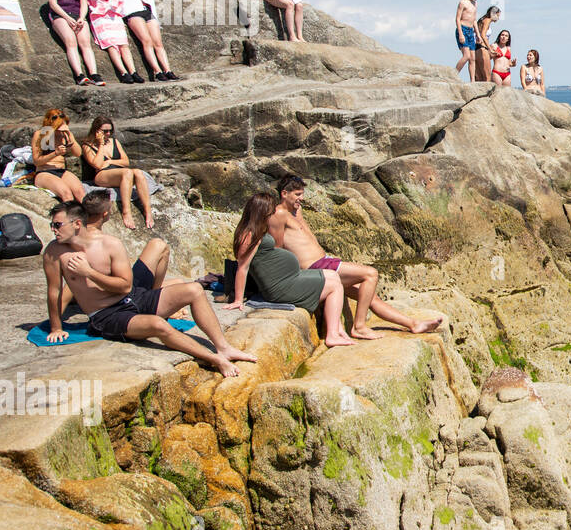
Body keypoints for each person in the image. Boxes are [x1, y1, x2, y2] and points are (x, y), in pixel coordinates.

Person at [42, 203, 255, 377]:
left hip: (133, 297)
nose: (53, 230)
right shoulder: (54, 252)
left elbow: (125, 285)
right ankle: (214, 359)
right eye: (53, 225)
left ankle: (223, 347)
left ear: (77, 223)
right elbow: (54, 291)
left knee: (194, 289)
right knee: (157, 324)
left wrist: (88, 272)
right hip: (106, 315)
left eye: (57, 225)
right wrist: (55, 328)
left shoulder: (110, 244)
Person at [270, 176, 446, 339]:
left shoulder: (296, 210)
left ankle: (414, 324)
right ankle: (359, 326)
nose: (301, 198)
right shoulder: (278, 215)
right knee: (370, 274)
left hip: (325, 261)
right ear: (284, 194)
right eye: (297, 194)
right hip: (314, 268)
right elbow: (277, 249)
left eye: (302, 194)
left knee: (370, 296)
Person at [226, 193, 353, 347]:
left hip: (287, 279)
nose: (273, 213)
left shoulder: (258, 229)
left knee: (333, 275)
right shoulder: (249, 235)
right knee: (334, 286)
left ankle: (338, 330)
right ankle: (332, 335)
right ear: (261, 211)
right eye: (270, 210)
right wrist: (238, 300)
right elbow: (243, 267)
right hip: (281, 287)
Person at [81, 116, 153, 230]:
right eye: (105, 131)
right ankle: (126, 212)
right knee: (127, 173)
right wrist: (100, 144)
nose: (108, 133)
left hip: (119, 172)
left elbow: (126, 162)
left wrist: (109, 161)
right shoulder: (87, 145)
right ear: (97, 130)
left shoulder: (114, 142)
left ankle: (148, 211)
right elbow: (98, 165)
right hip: (102, 175)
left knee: (138, 172)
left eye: (110, 131)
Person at [84, 0, 144, 83]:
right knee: (111, 44)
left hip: (114, 13)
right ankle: (123, 73)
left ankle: (133, 71)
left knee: (123, 44)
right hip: (100, 14)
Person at [44, 0, 103, 86]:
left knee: (85, 44)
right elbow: (53, 4)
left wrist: (82, 18)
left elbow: (83, 3)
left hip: (78, 15)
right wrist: (67, 18)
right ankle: (79, 75)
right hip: (60, 16)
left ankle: (94, 74)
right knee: (71, 42)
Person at [119, 0, 179, 81]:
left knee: (158, 43)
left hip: (147, 12)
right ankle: (157, 71)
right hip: (133, 13)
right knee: (147, 41)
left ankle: (168, 70)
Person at [31, 108, 85, 202]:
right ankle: (69, 216)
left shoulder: (65, 135)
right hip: (44, 172)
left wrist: (69, 134)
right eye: (58, 125)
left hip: (61, 171)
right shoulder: (42, 134)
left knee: (80, 193)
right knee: (66, 193)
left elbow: (78, 153)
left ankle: (89, 216)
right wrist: (55, 153)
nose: (60, 128)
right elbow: (37, 162)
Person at [453, 0, 482, 80]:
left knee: (472, 58)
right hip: (463, 29)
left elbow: (474, 20)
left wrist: (478, 34)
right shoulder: (463, 2)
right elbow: (457, 19)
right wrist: (461, 34)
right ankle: (453, 74)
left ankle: (472, 80)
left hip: (471, 31)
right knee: (466, 56)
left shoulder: (475, 4)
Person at [475, 6, 500, 83]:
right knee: (487, 77)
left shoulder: (482, 20)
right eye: (498, 15)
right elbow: (483, 35)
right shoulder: (487, 20)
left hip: (476, 49)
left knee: (479, 78)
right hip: (482, 48)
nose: (498, 18)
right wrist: (490, 49)